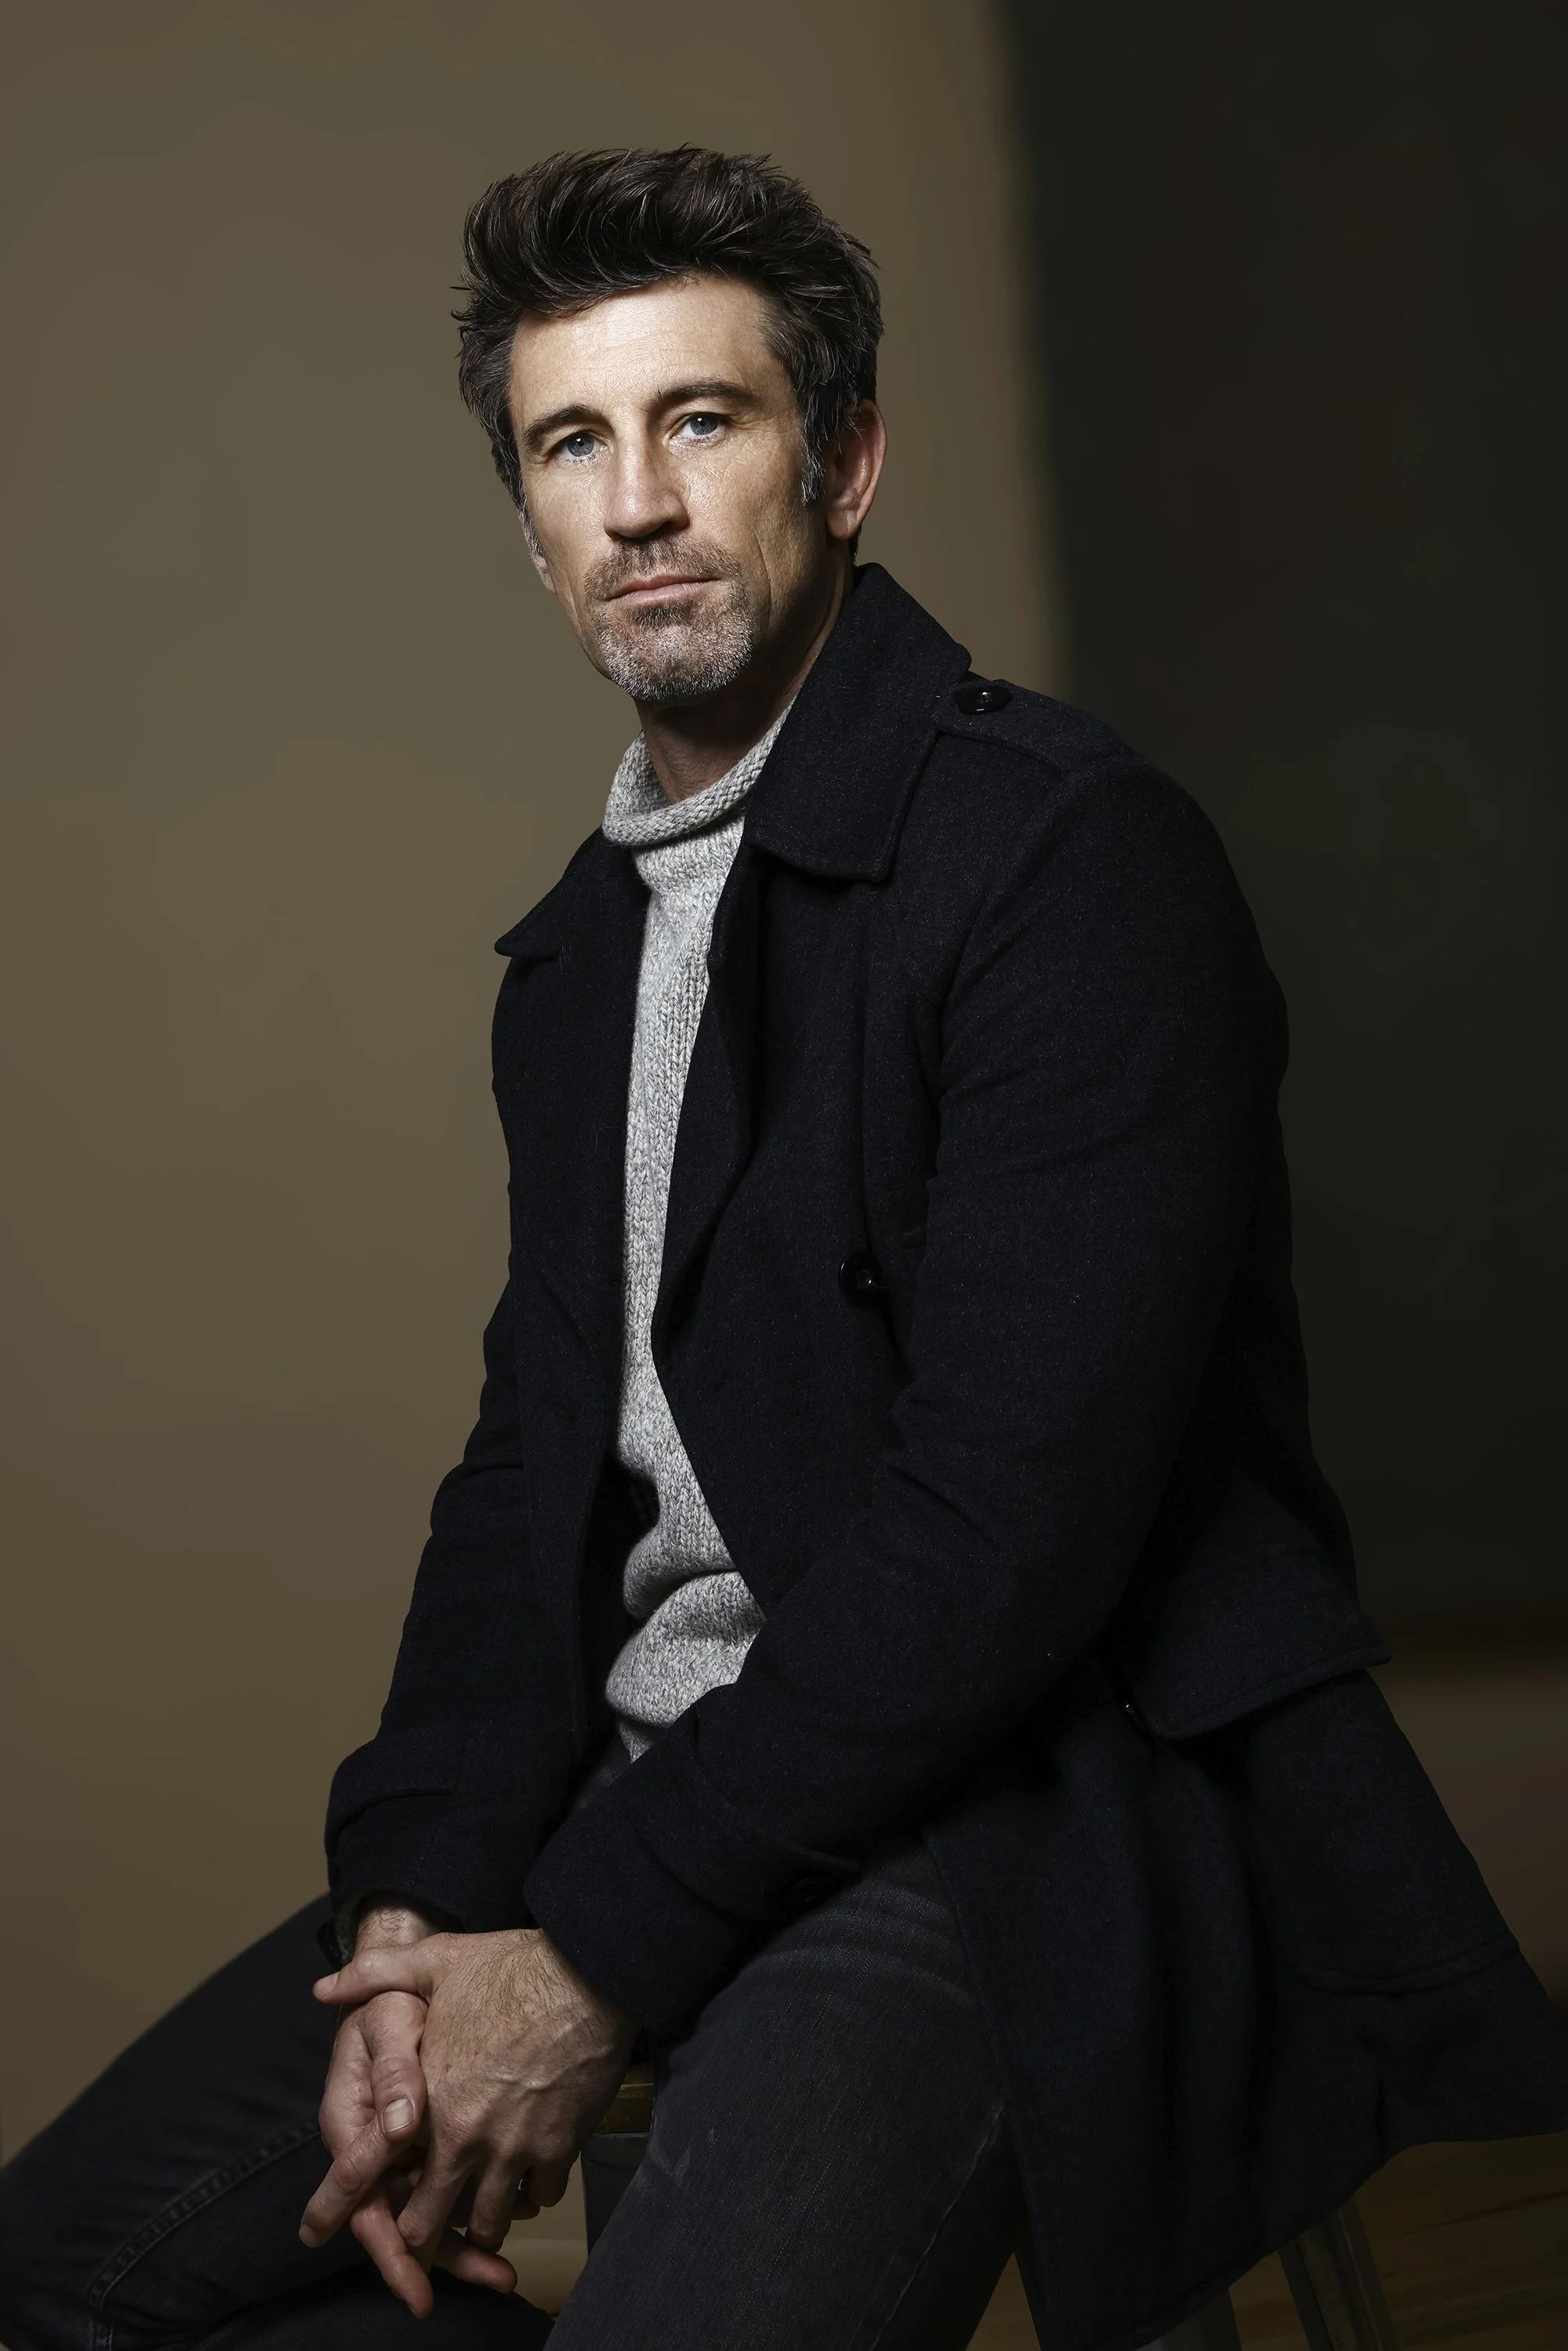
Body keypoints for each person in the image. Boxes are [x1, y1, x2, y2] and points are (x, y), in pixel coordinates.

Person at [2, 145, 1565, 2351]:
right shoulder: (579, 960)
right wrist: (421, 1913)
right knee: (59, 2273)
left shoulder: (1068, 863)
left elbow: (999, 1542)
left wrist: (591, 1953)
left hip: (1000, 1817)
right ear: (531, 529)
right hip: (635, 1807)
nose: (636, 498)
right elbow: (530, 1473)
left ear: (844, 463)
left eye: (701, 421)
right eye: (573, 441)